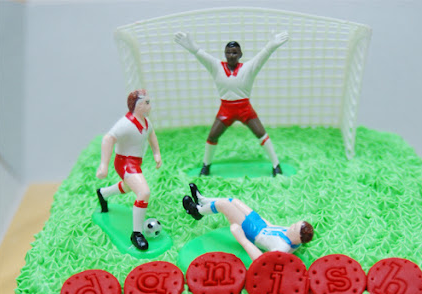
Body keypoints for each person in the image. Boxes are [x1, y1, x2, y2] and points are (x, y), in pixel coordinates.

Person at [174, 31, 289, 176]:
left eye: (234, 52)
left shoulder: (248, 68)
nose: (231, 55)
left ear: (240, 54)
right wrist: (193, 48)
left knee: (261, 133)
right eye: (228, 52)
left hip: (245, 109)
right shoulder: (216, 67)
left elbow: (262, 57)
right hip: (226, 110)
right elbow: (202, 55)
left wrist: (271, 46)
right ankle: (206, 165)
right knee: (212, 136)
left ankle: (276, 165)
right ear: (225, 54)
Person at [96, 90, 162, 251]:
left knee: (127, 187)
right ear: (138, 106)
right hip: (125, 163)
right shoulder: (125, 124)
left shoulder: (146, 122)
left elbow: (151, 135)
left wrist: (156, 153)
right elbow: (108, 139)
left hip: (136, 162)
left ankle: (103, 193)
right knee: (143, 192)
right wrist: (104, 165)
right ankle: (136, 234)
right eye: (146, 103)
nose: (150, 105)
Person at [182, 184, 313, 261]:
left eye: (294, 228)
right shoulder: (292, 235)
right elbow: (273, 227)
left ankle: (197, 211)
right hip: (261, 224)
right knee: (234, 201)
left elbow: (261, 261)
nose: (291, 226)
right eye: (295, 224)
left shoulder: (282, 248)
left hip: (253, 232)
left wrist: (243, 239)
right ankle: (203, 200)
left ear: (298, 237)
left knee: (224, 205)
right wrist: (260, 219)